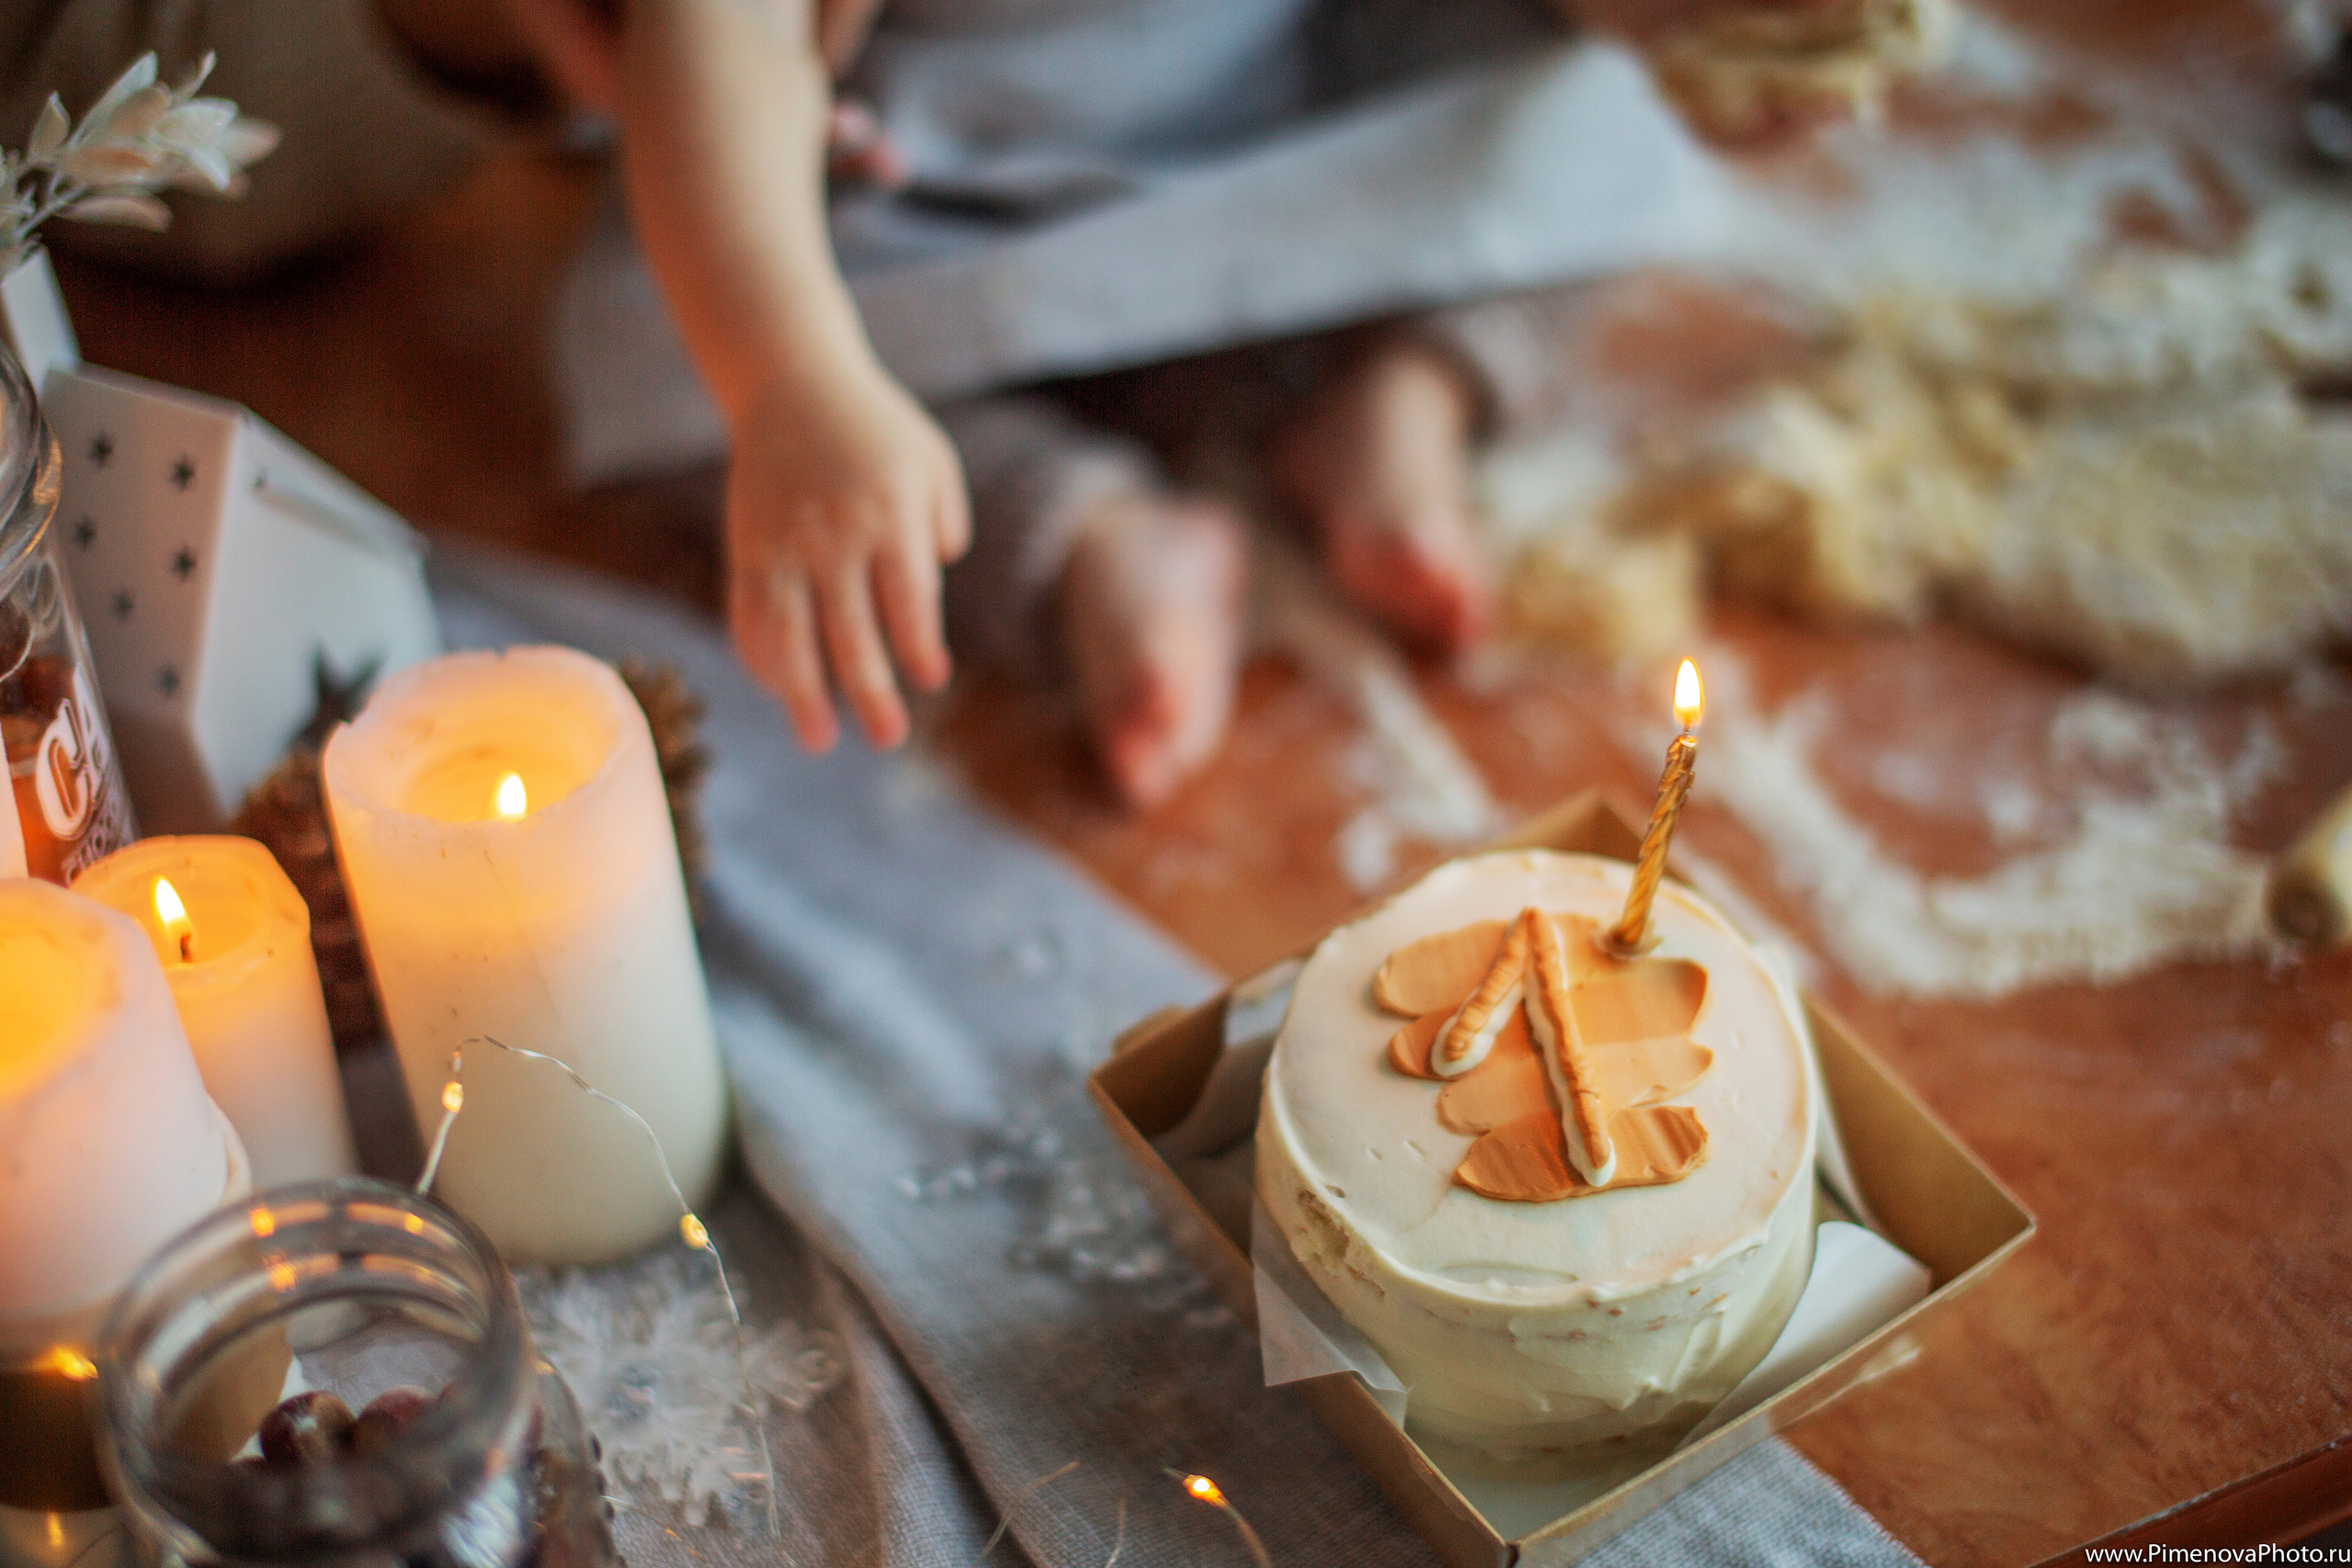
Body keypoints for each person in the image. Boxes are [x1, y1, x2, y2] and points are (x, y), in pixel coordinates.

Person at [2, 0, 1898, 805]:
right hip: (920, 188)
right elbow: (717, 38)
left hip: (1280, 117)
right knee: (669, 375)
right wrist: (798, 381)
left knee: (1602, 148)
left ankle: (1400, 399)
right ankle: (1077, 535)